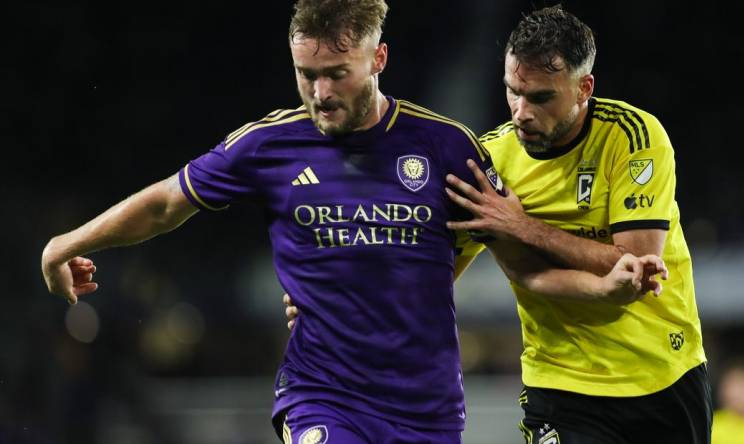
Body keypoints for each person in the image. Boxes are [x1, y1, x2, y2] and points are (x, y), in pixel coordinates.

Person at [42, 1, 667, 443]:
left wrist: (604, 289)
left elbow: (525, 270)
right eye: (306, 75)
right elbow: (166, 202)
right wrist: (68, 242)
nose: (319, 93)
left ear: (378, 59)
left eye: (336, 74)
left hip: (427, 408)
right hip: (323, 394)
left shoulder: (448, 148)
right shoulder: (269, 145)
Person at [443, 5, 712, 444]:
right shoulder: (489, 162)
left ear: (584, 87)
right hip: (559, 384)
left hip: (661, 375)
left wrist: (523, 226)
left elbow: (638, 265)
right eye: (513, 91)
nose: (521, 111)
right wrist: (331, 301)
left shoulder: (632, 137)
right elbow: (428, 271)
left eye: (541, 97)